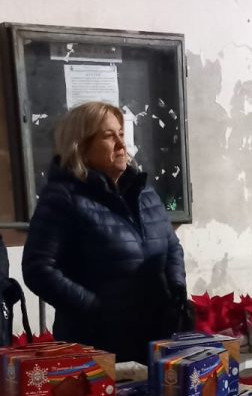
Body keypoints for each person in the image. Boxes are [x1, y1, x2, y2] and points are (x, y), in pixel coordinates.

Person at [23, 102, 191, 363]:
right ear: (81, 145)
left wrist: (176, 287)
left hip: (155, 338)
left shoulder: (144, 192)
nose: (121, 144)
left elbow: (171, 246)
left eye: (121, 134)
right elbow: (38, 268)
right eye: (109, 136)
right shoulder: (63, 197)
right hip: (97, 346)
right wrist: (95, 308)